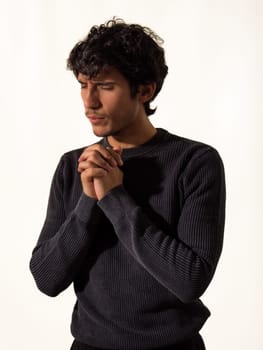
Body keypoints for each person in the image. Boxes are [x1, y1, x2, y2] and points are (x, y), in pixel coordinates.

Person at [30, 18, 226, 350]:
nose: (89, 102)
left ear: (145, 90)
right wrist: (88, 200)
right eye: (82, 84)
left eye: (105, 86)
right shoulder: (73, 166)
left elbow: (190, 280)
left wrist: (115, 197)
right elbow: (47, 279)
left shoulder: (195, 162)